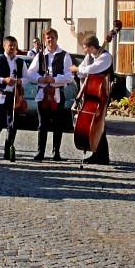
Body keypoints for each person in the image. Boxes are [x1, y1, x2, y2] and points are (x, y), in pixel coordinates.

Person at [25, 28, 74, 161]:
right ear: (45, 40)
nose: (50, 40)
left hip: (57, 93)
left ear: (56, 38)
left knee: (58, 124)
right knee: (42, 124)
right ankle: (40, 152)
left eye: (52, 37)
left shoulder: (65, 55)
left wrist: (55, 79)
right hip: (43, 94)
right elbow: (30, 73)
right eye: (47, 38)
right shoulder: (40, 55)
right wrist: (40, 79)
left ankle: (56, 152)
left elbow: (69, 76)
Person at [70, 35, 113, 165]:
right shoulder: (90, 57)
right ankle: (97, 153)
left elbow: (92, 69)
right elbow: (82, 72)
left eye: (86, 49)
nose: (85, 52)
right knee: (95, 124)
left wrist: (78, 69)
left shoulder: (105, 57)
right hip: (91, 94)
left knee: (99, 124)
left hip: (102, 94)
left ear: (93, 47)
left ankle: (103, 156)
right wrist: (80, 70)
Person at [0, 36, 25, 160]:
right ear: (4, 46)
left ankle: (8, 152)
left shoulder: (20, 62)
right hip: (1, 94)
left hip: (14, 95)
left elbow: (28, 78)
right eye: (10, 45)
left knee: (12, 125)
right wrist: (4, 80)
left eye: (14, 45)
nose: (12, 48)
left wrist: (20, 81)